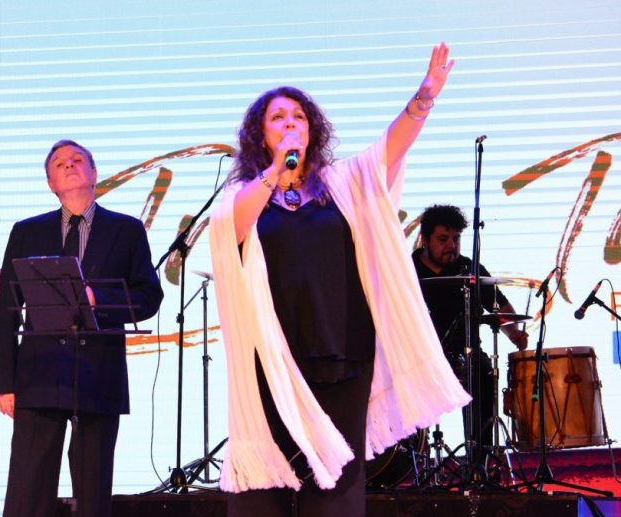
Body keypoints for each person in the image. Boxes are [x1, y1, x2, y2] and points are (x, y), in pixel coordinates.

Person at [208, 43, 470, 517]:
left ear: (313, 130)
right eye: (278, 118)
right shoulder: (244, 196)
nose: (291, 124)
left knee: (337, 491)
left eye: (299, 117)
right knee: (266, 487)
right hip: (273, 358)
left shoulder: (343, 183)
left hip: (343, 351)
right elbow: (231, 228)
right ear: (261, 136)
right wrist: (276, 170)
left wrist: (424, 98)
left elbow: (390, 148)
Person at [0, 140, 164, 517]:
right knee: (27, 491)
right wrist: (4, 382)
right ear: (50, 184)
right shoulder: (26, 231)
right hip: (39, 374)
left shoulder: (127, 230)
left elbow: (149, 297)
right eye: (59, 163)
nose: (69, 165)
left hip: (98, 373)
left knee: (93, 492)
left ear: (94, 174)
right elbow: (6, 310)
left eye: (77, 160)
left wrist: (97, 296)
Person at [412, 203, 528, 466]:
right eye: (443, 239)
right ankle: (415, 463)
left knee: (484, 374)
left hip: (467, 354)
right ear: (425, 240)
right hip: (419, 357)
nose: (451, 245)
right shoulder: (407, 270)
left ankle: (480, 464)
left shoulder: (470, 268)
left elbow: (498, 305)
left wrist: (514, 333)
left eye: (456, 239)